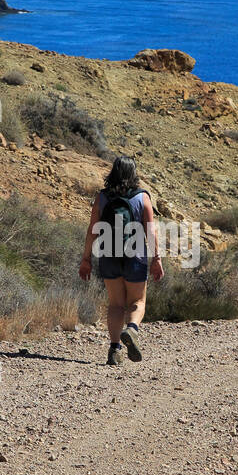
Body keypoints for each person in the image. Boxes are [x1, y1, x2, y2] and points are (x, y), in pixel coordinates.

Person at [79, 156, 164, 365]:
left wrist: (86, 258)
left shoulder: (102, 197)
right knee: (137, 301)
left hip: (108, 254)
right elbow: (150, 231)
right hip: (135, 255)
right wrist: (156, 258)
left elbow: (92, 230)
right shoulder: (142, 197)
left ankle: (114, 349)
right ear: (133, 174)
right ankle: (132, 329)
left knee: (116, 304)